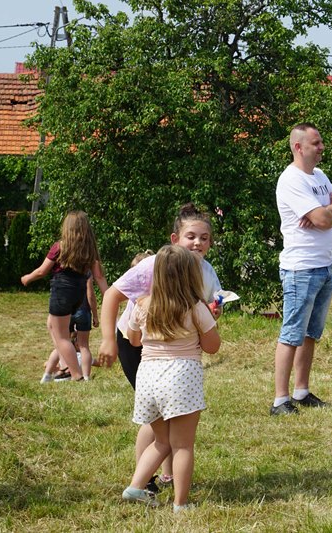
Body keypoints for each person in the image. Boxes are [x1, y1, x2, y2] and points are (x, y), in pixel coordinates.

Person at [98, 209, 221, 494]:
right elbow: (112, 295)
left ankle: (166, 476)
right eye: (191, 236)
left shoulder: (205, 269)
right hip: (137, 341)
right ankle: (147, 482)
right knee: (157, 422)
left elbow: (208, 305)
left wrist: (213, 312)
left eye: (204, 238)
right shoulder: (155, 264)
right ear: (175, 238)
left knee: (169, 416)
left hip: (174, 347)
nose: (197, 243)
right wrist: (107, 340)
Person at [121, 244, 221, 511]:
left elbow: (133, 339)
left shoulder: (141, 304)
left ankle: (135, 486)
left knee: (161, 440)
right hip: (181, 377)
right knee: (183, 445)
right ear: (191, 276)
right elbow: (212, 346)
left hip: (148, 377)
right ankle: (181, 503)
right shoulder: (195, 306)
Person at [272, 123, 332, 415]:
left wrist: (327, 210)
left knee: (310, 334)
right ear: (298, 147)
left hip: (323, 266)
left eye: (321, 142)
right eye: (316, 143)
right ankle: (280, 399)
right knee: (292, 333)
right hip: (300, 268)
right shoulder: (291, 180)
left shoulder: (319, 176)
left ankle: (301, 391)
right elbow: (323, 220)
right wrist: (327, 211)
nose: (321, 148)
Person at [22, 211, 110, 382]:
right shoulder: (89, 251)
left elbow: (42, 271)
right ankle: (64, 363)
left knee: (62, 336)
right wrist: (110, 295)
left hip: (62, 293)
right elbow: (99, 277)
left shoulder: (59, 247)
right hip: (78, 295)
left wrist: (27, 278)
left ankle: (75, 375)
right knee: (51, 325)